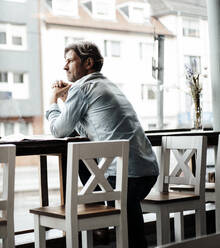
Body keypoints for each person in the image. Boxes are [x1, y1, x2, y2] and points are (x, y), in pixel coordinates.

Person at [46, 41, 159, 248]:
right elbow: (87, 127)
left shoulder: (82, 88)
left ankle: (99, 220)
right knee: (126, 213)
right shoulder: (106, 84)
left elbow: (58, 130)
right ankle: (102, 220)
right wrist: (67, 100)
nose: (65, 66)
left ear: (88, 62)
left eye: (70, 61)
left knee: (126, 216)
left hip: (126, 175)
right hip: (148, 170)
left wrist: (53, 100)